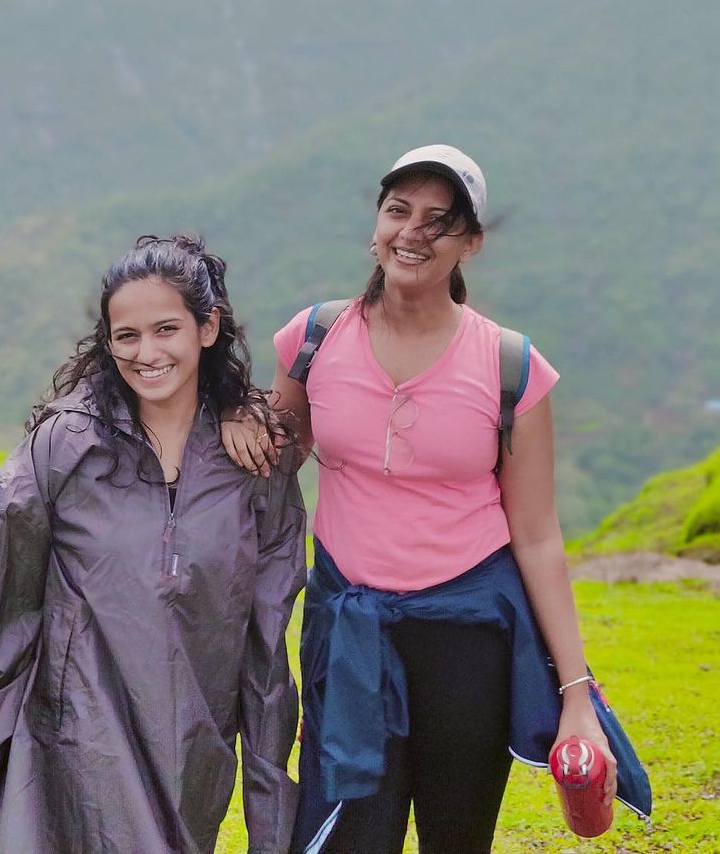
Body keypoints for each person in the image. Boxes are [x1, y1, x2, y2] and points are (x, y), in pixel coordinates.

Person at [223, 145, 650, 854]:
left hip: (468, 639)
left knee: (456, 836)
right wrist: (238, 412)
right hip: (350, 628)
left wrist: (577, 694)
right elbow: (279, 451)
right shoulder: (312, 338)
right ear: (377, 223)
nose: (412, 232)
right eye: (399, 211)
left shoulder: (511, 365)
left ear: (470, 243)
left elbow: (537, 534)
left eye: (440, 221)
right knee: (350, 836)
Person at [0, 234, 306, 854]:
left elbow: (266, 644)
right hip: (65, 753)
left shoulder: (254, 462)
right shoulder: (66, 450)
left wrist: (271, 818)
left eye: (166, 329)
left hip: (190, 763)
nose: (146, 352)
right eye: (126, 335)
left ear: (207, 329)